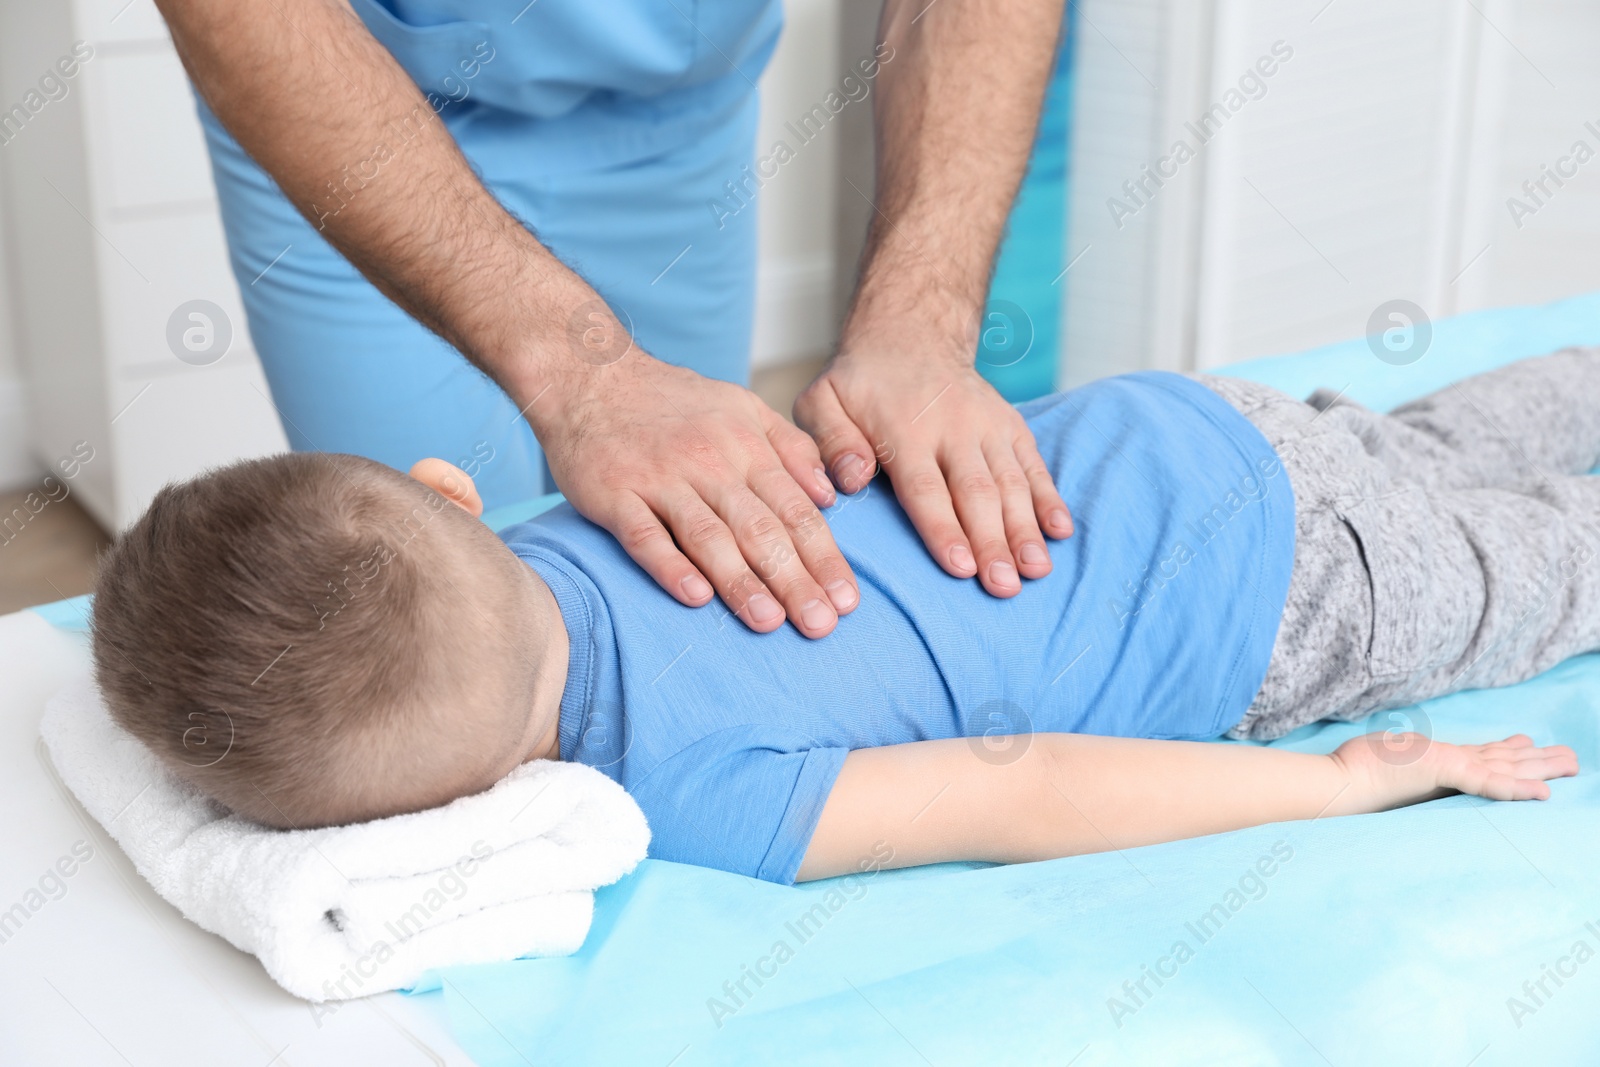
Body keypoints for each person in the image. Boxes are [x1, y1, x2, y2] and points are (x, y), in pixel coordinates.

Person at [90, 352, 1595, 883]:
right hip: (1181, 428)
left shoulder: (674, 790)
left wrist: (1347, 778)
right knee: (1459, 435)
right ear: (455, 495)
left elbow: (1038, 786)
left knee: (1552, 563)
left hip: (1289, 597)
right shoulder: (618, 491)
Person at [156, 0, 1076, 642]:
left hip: (672, 108)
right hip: (352, 97)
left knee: (679, 587)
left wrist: (920, 324)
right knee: (432, 615)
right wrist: (583, 376)